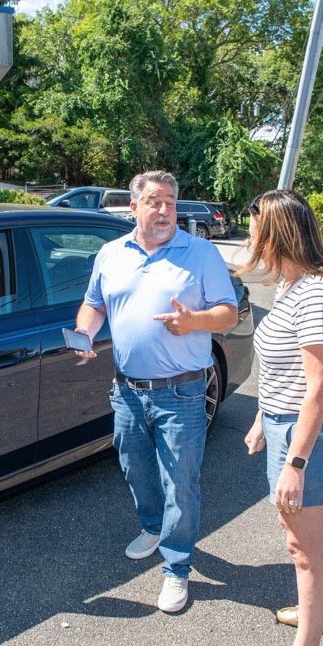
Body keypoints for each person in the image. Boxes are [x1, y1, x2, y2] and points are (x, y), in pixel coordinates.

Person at [74, 170, 238, 613]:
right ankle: (152, 525)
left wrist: (195, 321)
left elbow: (229, 313)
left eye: (170, 201)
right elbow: (94, 303)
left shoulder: (200, 252)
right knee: (134, 468)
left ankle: (177, 568)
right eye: (153, 201)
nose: (164, 209)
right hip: (126, 390)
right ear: (134, 207)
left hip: (182, 392)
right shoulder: (110, 253)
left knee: (180, 481)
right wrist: (85, 334)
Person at [238, 190, 323, 646]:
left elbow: (318, 389)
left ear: (275, 234)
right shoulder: (292, 287)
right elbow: (281, 372)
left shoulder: (317, 296)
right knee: (304, 536)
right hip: (288, 423)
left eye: (253, 229)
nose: (248, 238)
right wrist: (263, 416)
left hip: (311, 433)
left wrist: (296, 463)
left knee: (301, 547)